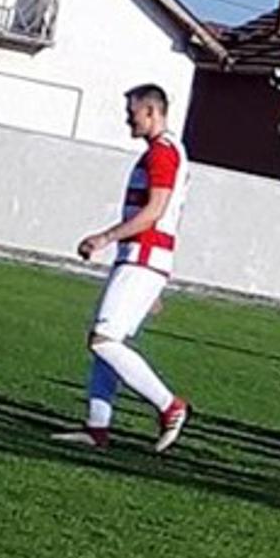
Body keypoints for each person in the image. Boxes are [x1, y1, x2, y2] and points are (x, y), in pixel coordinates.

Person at [53, 84, 191, 453]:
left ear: (152, 112)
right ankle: (97, 427)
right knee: (107, 341)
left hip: (143, 257)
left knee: (104, 339)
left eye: (133, 113)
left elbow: (154, 211)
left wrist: (105, 237)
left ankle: (169, 406)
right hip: (145, 259)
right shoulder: (166, 150)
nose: (128, 120)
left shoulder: (162, 152)